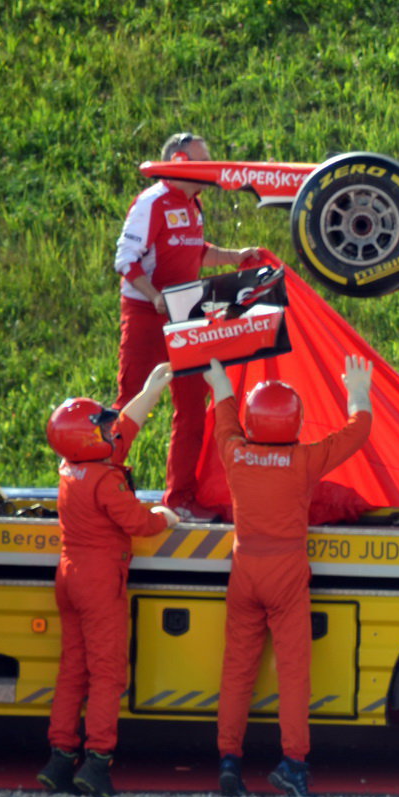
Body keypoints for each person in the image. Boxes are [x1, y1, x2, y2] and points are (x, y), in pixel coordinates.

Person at [206, 355, 374, 797]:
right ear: (296, 422)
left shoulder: (235, 453)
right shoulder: (304, 461)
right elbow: (356, 433)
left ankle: (228, 760)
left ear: (252, 422)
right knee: (294, 672)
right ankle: (293, 765)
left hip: (244, 570)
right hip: (286, 573)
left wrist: (220, 381)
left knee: (236, 671)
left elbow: (224, 417)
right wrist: (357, 391)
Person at [38, 364, 180, 797]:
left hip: (69, 575)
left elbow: (122, 429)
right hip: (100, 581)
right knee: (106, 675)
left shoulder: (73, 467)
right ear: (87, 437)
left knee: (72, 672)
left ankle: (60, 759)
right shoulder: (105, 478)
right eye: (99, 423)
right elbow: (138, 521)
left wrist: (150, 389)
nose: (108, 426)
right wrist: (165, 517)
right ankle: (97, 763)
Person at [114, 132, 261, 518]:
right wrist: (154, 295)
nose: (210, 171)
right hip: (146, 314)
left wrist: (237, 255)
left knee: (192, 408)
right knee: (131, 399)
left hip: (187, 312)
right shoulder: (151, 203)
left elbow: (197, 252)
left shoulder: (194, 204)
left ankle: (180, 497)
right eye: (203, 162)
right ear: (179, 161)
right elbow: (125, 261)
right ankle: (104, 481)